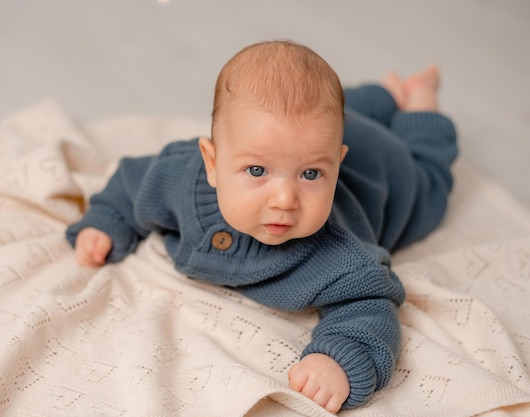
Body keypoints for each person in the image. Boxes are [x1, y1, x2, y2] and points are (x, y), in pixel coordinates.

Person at [66, 40, 457, 412]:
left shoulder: (341, 256)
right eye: (256, 170)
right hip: (314, 132)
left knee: (430, 186)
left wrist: (339, 359)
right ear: (213, 163)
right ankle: (383, 95)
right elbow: (131, 183)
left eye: (311, 174)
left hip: (389, 171)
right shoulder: (179, 178)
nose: (284, 199)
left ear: (336, 166)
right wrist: (107, 220)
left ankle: (421, 103)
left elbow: (368, 305)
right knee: (315, 112)